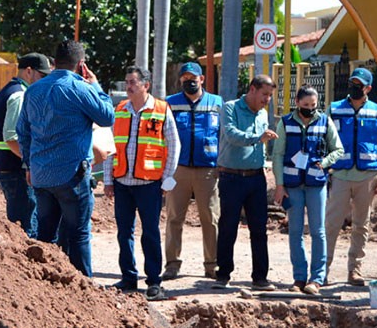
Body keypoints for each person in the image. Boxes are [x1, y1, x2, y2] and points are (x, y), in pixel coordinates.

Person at [16, 40, 114, 277]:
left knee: (45, 236)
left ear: (53, 62)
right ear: (81, 65)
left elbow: (23, 132)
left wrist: (29, 165)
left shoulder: (33, 90)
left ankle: (44, 287)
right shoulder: (80, 88)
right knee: (78, 234)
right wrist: (96, 84)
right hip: (72, 177)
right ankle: (84, 290)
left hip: (41, 176)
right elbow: (107, 117)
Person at [103, 66, 180, 301]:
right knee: (124, 232)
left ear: (146, 85)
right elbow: (110, 147)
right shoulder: (120, 110)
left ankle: (154, 281)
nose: (128, 86)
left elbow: (174, 145)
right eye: (126, 82)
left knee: (150, 233)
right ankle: (128, 278)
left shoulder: (161, 109)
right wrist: (108, 180)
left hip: (150, 184)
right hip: (123, 183)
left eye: (133, 82)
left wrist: (167, 177)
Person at [324, 67, 377, 287]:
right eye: (352, 82)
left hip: (368, 176)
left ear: (368, 88)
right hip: (340, 175)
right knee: (331, 224)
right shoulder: (334, 109)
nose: (354, 87)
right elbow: (321, 140)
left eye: (359, 84)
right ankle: (321, 271)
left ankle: (355, 270)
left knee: (361, 225)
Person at [272, 86, 344, 295]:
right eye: (306, 106)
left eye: (313, 105)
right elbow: (278, 154)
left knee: (318, 231)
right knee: (295, 231)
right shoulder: (285, 123)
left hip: (316, 184)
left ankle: (317, 279)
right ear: (297, 102)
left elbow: (338, 149)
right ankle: (299, 278)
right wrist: (279, 185)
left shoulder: (324, 121)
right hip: (292, 186)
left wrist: (325, 162)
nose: (310, 109)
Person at [213, 75, 278, 291]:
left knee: (259, 229)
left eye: (270, 95)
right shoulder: (230, 108)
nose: (267, 99)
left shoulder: (263, 114)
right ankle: (223, 274)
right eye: (264, 94)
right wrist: (258, 137)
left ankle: (260, 277)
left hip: (256, 178)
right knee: (228, 227)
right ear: (252, 89)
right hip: (231, 177)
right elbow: (231, 135)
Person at [162, 62, 223, 281]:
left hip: (208, 170)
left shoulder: (216, 103)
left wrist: (220, 164)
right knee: (174, 218)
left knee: (211, 219)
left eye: (193, 77)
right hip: (178, 169)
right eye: (185, 78)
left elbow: (223, 135)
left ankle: (212, 265)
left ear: (202, 79)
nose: (190, 81)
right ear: (180, 81)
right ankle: (172, 264)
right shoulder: (170, 104)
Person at [0, 53, 52, 238]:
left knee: (17, 223)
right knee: (26, 229)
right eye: (42, 75)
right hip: (17, 171)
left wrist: (3, 153)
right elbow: (12, 136)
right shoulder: (20, 95)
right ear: (29, 71)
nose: (43, 80)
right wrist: (30, 162)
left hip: (5, 168)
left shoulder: (5, 91)